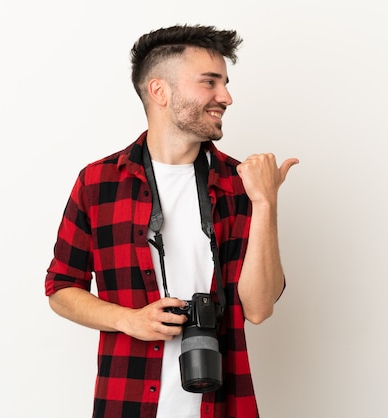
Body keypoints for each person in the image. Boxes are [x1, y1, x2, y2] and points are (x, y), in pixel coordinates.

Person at [45, 24, 299, 418]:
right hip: (125, 402)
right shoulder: (98, 182)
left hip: (221, 405)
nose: (226, 97)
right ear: (159, 91)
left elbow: (259, 308)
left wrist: (265, 203)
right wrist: (128, 319)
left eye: (225, 83)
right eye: (209, 83)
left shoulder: (240, 185)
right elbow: (61, 288)